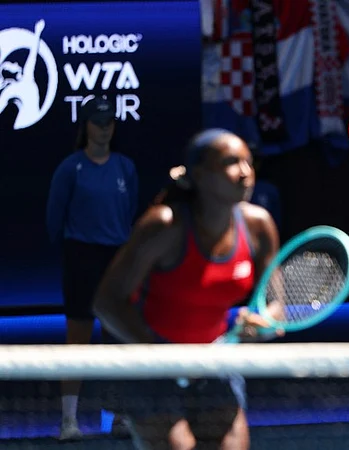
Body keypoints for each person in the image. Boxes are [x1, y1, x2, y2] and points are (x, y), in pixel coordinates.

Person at [93, 128, 281, 449]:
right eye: (231, 163)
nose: (245, 172)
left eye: (249, 162)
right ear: (200, 174)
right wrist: (163, 355)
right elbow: (107, 303)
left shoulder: (258, 226)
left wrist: (261, 324)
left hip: (217, 361)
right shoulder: (164, 226)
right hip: (152, 366)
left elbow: (275, 305)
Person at [45, 96, 138, 440]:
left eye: (109, 121)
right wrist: (77, 250)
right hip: (82, 258)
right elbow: (54, 219)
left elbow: (129, 212)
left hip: (116, 259)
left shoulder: (125, 167)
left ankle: (119, 417)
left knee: (118, 341)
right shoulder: (70, 168)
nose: (104, 128)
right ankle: (68, 421)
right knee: (78, 340)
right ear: (85, 126)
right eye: (98, 122)